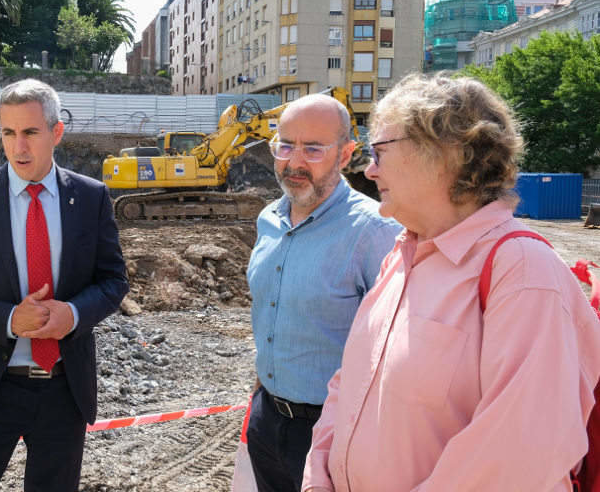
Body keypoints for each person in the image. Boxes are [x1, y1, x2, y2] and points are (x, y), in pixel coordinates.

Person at [302, 74, 600, 491]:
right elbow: (349, 384)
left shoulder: (522, 270)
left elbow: (517, 459)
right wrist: (318, 476)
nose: (369, 170)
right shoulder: (401, 256)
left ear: (444, 153)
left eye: (379, 151)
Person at [0, 79, 128, 492]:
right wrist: (11, 319)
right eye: (8, 133)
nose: (18, 147)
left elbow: (114, 280)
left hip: (64, 391)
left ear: (56, 132)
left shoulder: (90, 197)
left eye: (30, 132)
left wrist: (74, 314)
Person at [245, 93, 401, 492]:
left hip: (333, 433)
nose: (295, 162)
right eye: (285, 145)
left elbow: (397, 351)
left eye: (313, 149)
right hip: (266, 418)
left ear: (346, 154)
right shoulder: (268, 220)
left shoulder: (375, 232)